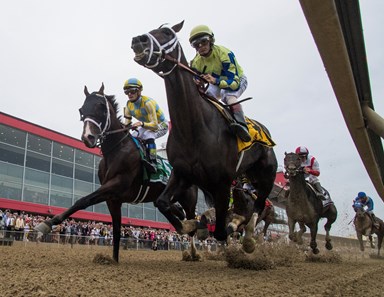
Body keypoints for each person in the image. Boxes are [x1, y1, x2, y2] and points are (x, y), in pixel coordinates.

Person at [189, 24, 251, 142]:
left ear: (211, 40)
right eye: (197, 44)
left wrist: (215, 81)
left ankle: (242, 126)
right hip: (216, 83)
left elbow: (234, 83)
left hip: (237, 79)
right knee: (205, 97)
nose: (201, 46)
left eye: (204, 41)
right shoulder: (196, 62)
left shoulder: (225, 53)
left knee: (228, 96)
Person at [123, 78, 169, 173]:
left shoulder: (148, 103)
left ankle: (153, 161)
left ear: (139, 91)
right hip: (146, 125)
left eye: (132, 91)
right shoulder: (128, 105)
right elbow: (126, 124)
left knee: (148, 134)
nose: (129, 94)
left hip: (161, 124)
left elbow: (155, 126)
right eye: (127, 92)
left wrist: (141, 123)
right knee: (133, 137)